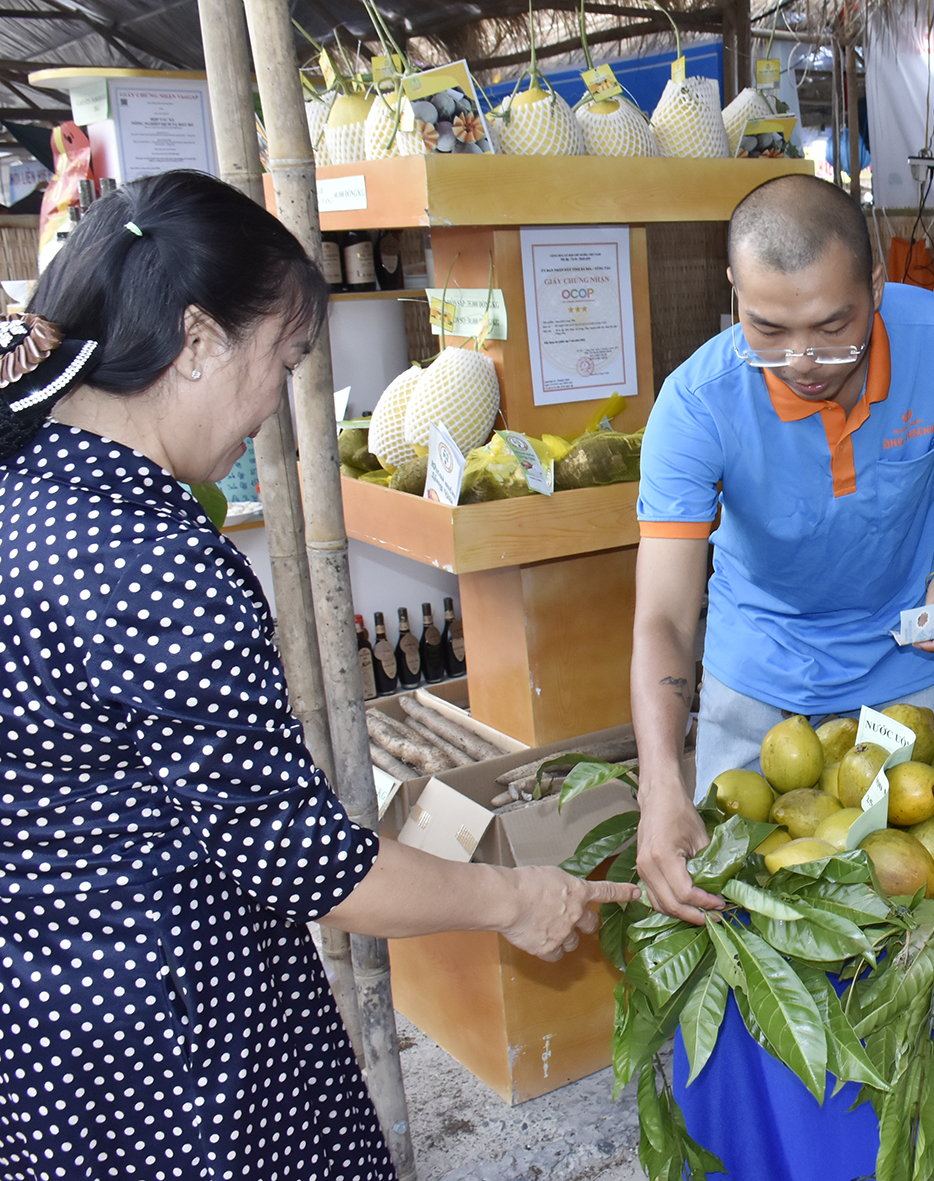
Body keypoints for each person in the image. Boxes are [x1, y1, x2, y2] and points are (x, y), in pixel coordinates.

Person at [0, 170, 639, 1179]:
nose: (272, 407)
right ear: (200, 338)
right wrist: (513, 896)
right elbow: (305, 863)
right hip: (175, 1040)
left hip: (51, 1024)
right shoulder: (153, 562)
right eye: (282, 358)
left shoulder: (28, 487)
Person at [633, 174, 934, 923]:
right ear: (735, 292)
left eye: (832, 325)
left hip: (904, 668)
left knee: (902, 909)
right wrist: (658, 783)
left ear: (875, 286)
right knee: (745, 913)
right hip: (756, 675)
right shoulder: (696, 405)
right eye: (768, 329)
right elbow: (666, 618)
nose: (802, 359)